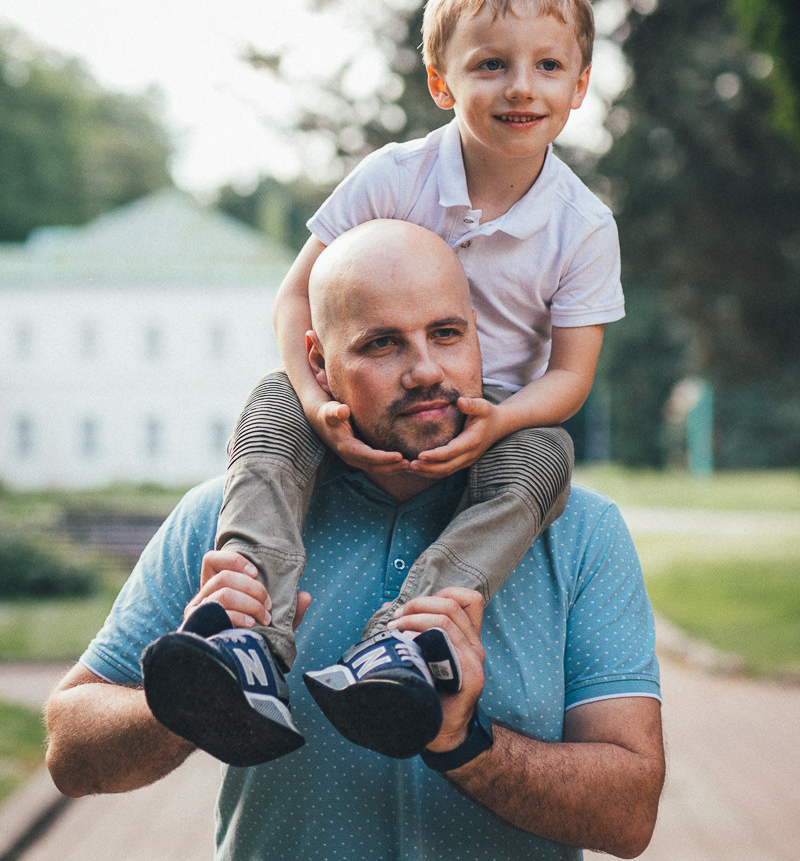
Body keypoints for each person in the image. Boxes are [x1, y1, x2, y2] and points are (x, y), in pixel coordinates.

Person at [45, 222, 664, 861]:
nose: (426, 370)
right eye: (382, 344)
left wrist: (463, 744)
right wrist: (189, 698)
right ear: (317, 362)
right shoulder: (220, 518)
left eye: (447, 334)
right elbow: (70, 754)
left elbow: (629, 816)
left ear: (478, 331)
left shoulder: (582, 532)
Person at [182, 0, 624, 762]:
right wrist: (316, 398)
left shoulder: (584, 226)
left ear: (580, 85)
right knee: (272, 404)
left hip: (495, 422)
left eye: (548, 65)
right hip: (370, 407)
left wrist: (500, 422)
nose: (521, 86)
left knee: (546, 456)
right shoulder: (394, 177)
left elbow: (571, 374)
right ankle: (247, 633)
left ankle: (404, 641)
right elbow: (292, 300)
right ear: (442, 81)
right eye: (491, 64)